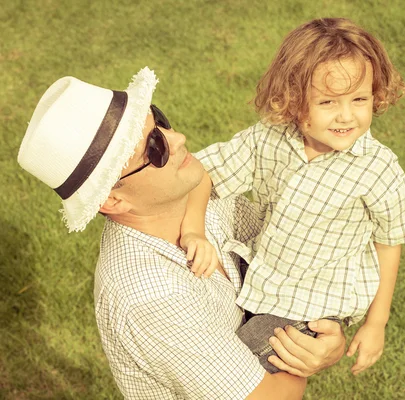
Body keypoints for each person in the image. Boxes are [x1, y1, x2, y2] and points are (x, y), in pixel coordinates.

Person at [17, 67, 346, 399]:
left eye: (159, 121)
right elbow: (272, 397)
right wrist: (309, 353)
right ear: (112, 199)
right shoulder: (151, 297)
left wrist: (325, 338)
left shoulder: (193, 193)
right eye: (155, 148)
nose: (178, 140)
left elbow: (302, 256)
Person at [180, 17, 405, 376]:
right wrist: (193, 231)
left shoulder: (377, 169)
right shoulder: (270, 138)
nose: (347, 116)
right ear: (294, 100)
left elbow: (390, 242)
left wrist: (377, 323)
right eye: (328, 102)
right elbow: (201, 173)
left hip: (312, 304)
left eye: (359, 99)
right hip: (264, 279)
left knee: (233, 374)